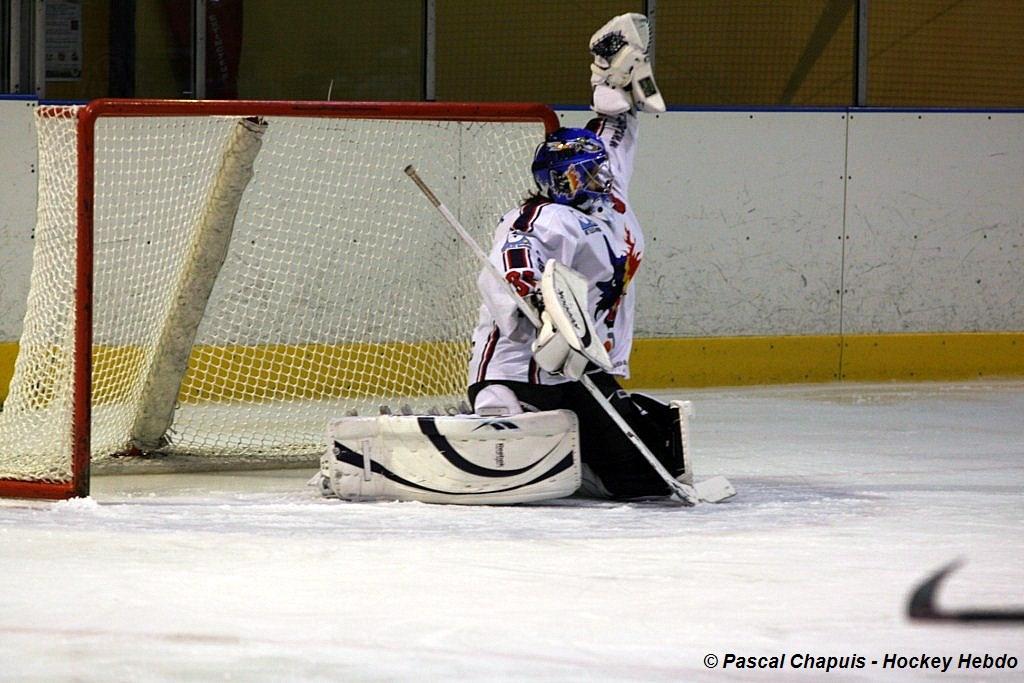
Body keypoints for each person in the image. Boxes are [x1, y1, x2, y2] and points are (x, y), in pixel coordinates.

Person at [466, 13, 685, 500]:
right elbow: (516, 263)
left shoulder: (610, 197)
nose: (593, 182)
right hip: (520, 371)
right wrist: (546, 310)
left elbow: (613, 129)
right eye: (578, 177)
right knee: (630, 479)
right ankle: (502, 424)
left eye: (594, 172)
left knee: (648, 477)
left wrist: (611, 78)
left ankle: (582, 460)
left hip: (581, 365)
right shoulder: (540, 218)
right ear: (552, 183)